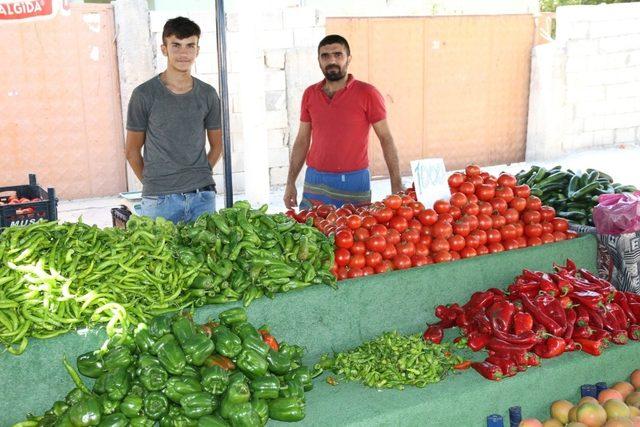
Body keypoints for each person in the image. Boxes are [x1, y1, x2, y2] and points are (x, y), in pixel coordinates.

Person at [283, 34, 402, 210]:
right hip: (315, 180)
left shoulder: (367, 93)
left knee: (352, 235)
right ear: (319, 61)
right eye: (325, 56)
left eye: (338, 54)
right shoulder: (310, 94)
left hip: (353, 181)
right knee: (310, 234)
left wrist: (396, 183)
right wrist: (290, 182)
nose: (332, 60)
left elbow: (386, 139)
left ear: (349, 59)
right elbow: (302, 140)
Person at [125, 17, 222, 224]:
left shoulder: (208, 94)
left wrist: (200, 174)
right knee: (159, 257)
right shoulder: (144, 94)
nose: (183, 53)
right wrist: (154, 185)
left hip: (202, 198)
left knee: (206, 256)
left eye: (190, 45)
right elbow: (132, 151)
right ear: (164, 49)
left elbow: (217, 146)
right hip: (159, 201)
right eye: (176, 45)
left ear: (197, 50)